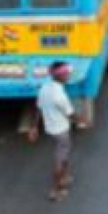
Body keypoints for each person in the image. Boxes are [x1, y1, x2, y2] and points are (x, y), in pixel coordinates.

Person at [37, 62, 77, 202]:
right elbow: (71, 114)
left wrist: (34, 127)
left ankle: (64, 178)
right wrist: (83, 120)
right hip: (61, 130)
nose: (69, 76)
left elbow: (39, 108)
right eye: (67, 74)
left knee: (63, 154)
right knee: (60, 159)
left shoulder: (44, 88)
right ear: (61, 76)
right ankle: (55, 190)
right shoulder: (59, 95)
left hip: (50, 129)